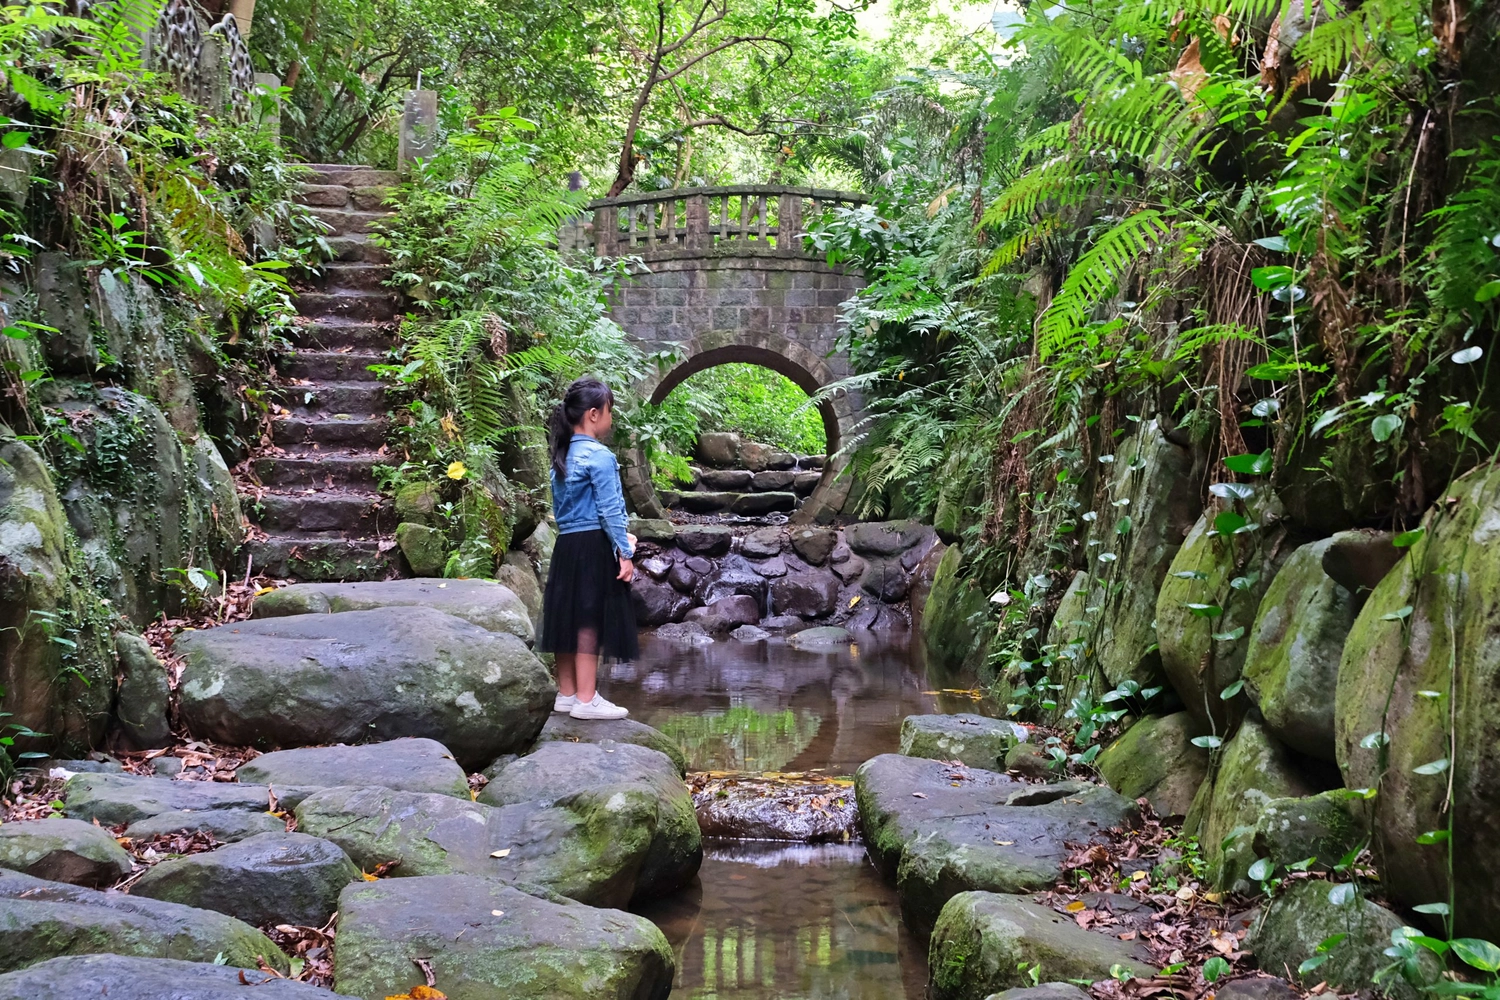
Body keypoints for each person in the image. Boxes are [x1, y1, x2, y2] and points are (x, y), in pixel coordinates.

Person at [539, 376, 638, 720]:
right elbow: (610, 511)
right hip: (593, 545)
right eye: (610, 410)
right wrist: (625, 551)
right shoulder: (600, 457)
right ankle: (586, 699)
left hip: (567, 544)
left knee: (566, 616)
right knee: (588, 621)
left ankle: (566, 694)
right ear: (594, 414)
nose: (612, 417)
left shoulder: (562, 455)